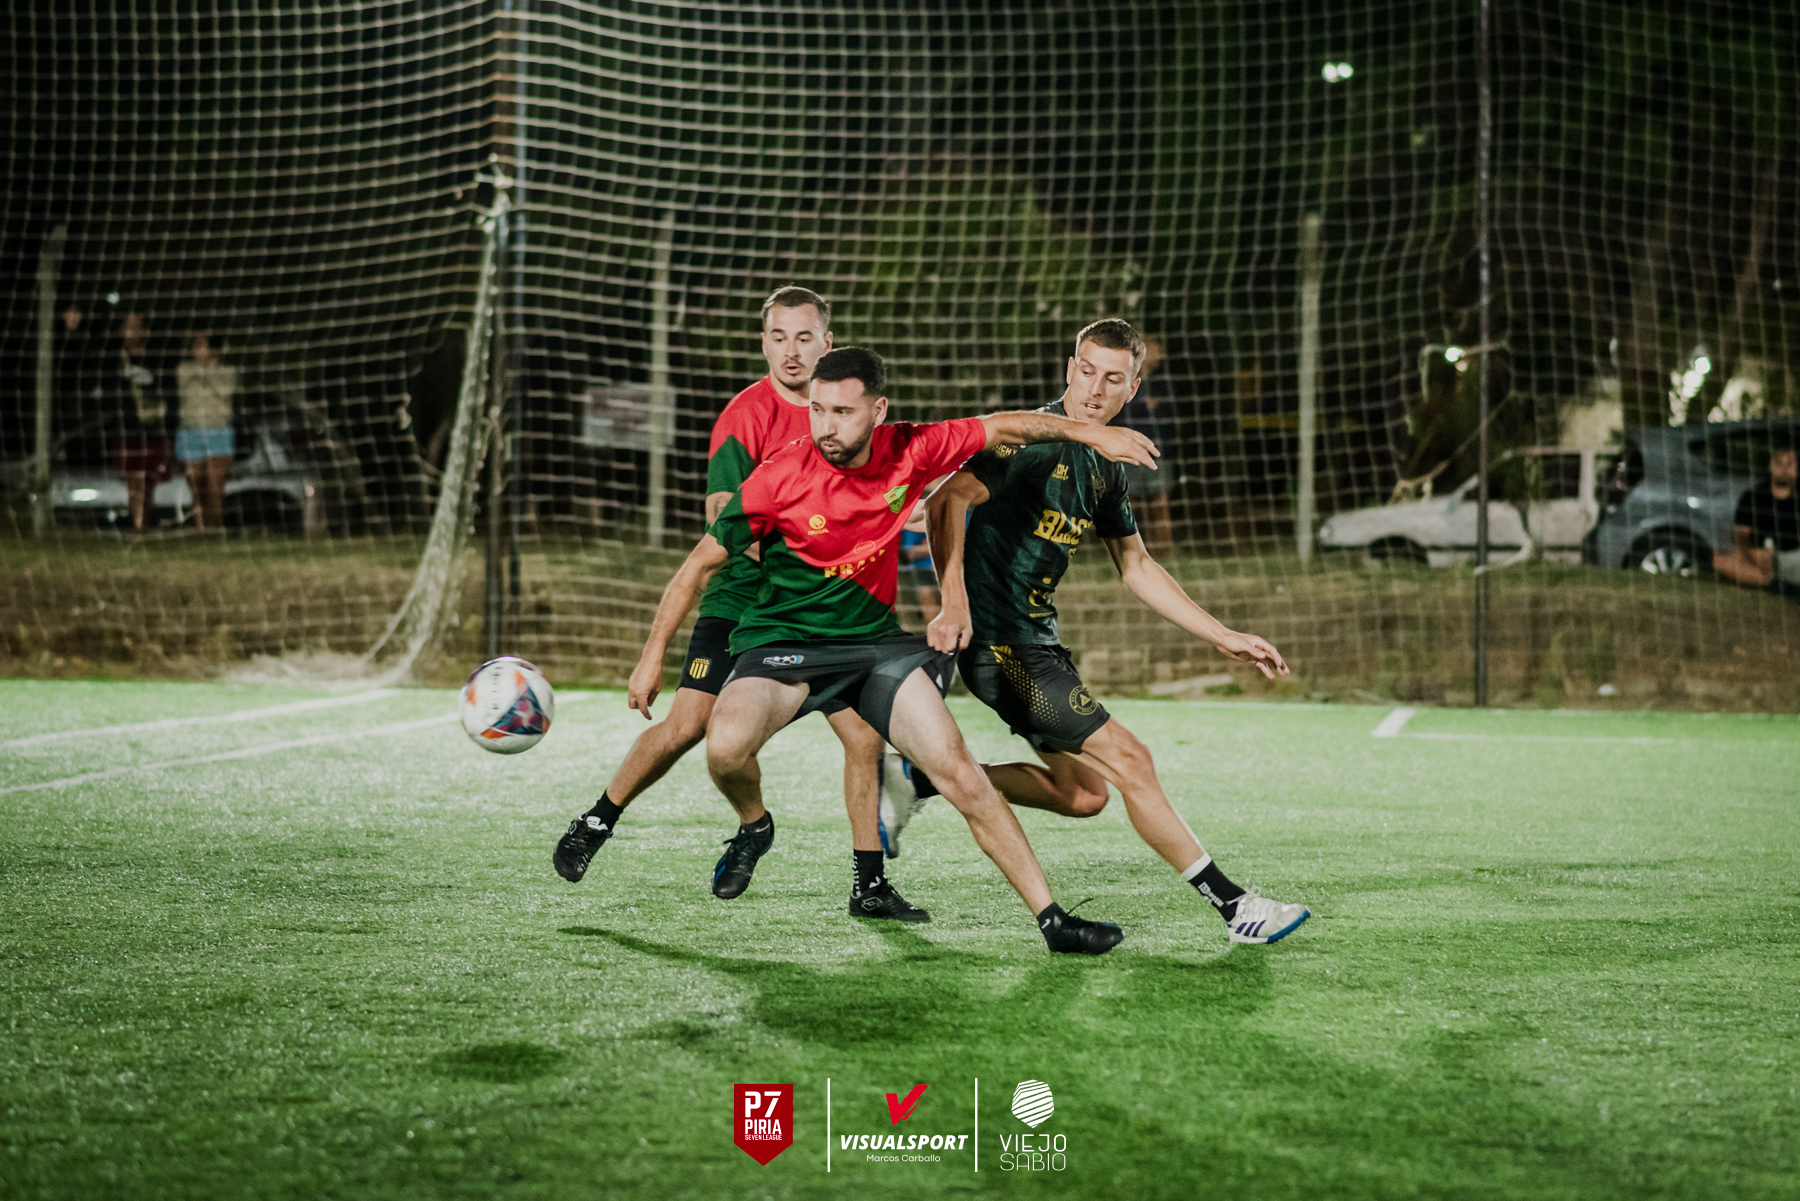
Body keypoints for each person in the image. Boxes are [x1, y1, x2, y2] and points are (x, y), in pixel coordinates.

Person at [634, 346, 1159, 954]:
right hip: (784, 643)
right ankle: (755, 825)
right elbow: (697, 565)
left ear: (877, 411)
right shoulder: (779, 474)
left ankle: (1052, 920)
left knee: (961, 773)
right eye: (818, 410)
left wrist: (1089, 433)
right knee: (724, 747)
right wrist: (652, 656)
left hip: (870, 648)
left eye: (843, 412)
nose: (827, 425)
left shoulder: (912, 447)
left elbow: (1007, 425)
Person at [890, 318, 1310, 946]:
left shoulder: (1106, 464)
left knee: (1083, 795)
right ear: (1070, 369)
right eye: (1085, 371)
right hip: (1001, 645)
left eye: (1112, 378)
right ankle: (1236, 908)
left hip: (1039, 643)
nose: (1094, 388)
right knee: (1130, 759)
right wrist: (954, 604)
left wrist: (1221, 635)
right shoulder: (1030, 438)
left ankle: (917, 778)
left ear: (1132, 387)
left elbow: (1136, 565)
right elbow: (947, 500)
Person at [552, 288, 914, 920]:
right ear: (763, 343)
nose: (791, 351)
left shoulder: (850, 416)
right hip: (743, 600)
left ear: (827, 343)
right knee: (689, 725)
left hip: (824, 610)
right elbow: (723, 515)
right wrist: (807, 550)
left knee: (863, 736)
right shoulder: (746, 416)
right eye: (778, 337)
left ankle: (869, 884)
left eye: (804, 337)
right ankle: (605, 820)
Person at [107, 310, 171, 533]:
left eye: (137, 325)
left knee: (149, 483)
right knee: (134, 482)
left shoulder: (156, 359)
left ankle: (144, 524)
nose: (132, 331)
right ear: (120, 331)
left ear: (145, 330)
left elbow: (167, 392)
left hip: (153, 430)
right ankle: (138, 528)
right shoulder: (113, 360)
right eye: (128, 326)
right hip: (127, 431)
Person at [1713, 437, 1800, 599]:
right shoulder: (1752, 497)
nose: (1784, 469)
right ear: (1770, 465)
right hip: (1758, 558)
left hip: (1794, 558)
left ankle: (1774, 583)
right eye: (1779, 463)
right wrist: (1747, 557)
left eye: (1790, 464)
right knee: (1724, 562)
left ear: (1796, 469)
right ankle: (1775, 584)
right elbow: (1740, 534)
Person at [1116, 334, 1175, 554]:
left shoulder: (1162, 382)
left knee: (1160, 501)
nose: (1157, 352)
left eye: (1158, 348)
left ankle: (1161, 551)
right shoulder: (1124, 380)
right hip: (1128, 449)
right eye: (1153, 348)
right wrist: (1143, 405)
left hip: (1157, 451)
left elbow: (1167, 408)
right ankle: (1132, 550)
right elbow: (1120, 411)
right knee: (1128, 502)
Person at [175, 331, 239, 532]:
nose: (197, 349)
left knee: (215, 487)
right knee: (196, 487)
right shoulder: (184, 369)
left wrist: (207, 368)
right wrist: (202, 369)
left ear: (213, 349)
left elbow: (224, 391)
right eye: (196, 344)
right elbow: (182, 385)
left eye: (201, 344)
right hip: (190, 432)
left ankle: (215, 529)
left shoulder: (227, 371)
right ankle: (201, 530)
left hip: (218, 432)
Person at [897, 505, 942, 625]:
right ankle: (935, 629)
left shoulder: (960, 511)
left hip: (946, 567)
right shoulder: (913, 514)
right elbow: (910, 552)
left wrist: (927, 546)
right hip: (921, 569)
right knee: (926, 591)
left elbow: (962, 544)